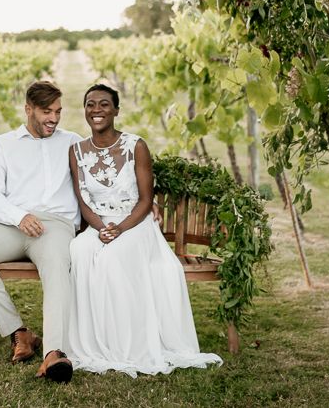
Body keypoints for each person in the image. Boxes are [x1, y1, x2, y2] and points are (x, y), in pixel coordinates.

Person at [65, 83, 223, 377]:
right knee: (80, 250)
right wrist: (101, 229)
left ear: (116, 110)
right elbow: (82, 199)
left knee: (113, 258)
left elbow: (146, 199)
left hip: (136, 223)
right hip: (100, 224)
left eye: (103, 104)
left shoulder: (135, 145)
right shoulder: (76, 151)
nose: (96, 110)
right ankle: (93, 344)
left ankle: (125, 345)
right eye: (90, 104)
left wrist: (120, 229)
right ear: (84, 110)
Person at [0, 80, 80, 383]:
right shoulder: (3, 145)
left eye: (58, 111)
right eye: (46, 111)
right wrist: (18, 216)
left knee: (55, 265)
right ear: (28, 109)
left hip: (55, 226)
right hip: (12, 224)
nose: (54, 118)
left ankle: (54, 353)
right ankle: (19, 332)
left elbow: (99, 182)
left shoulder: (73, 142)